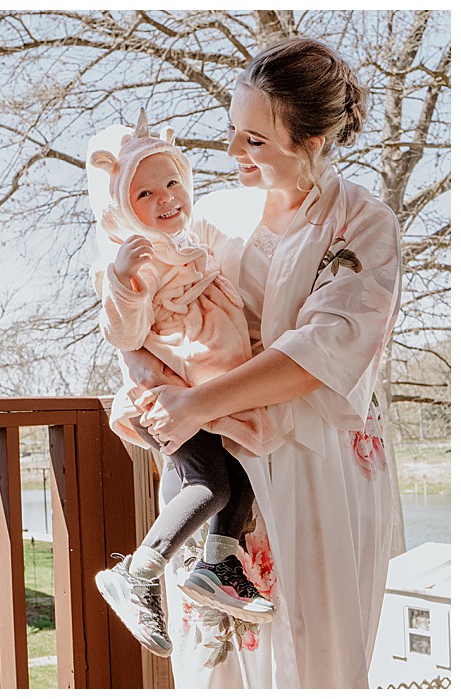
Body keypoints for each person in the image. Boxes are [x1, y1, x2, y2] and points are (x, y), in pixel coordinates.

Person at [130, 38, 403, 688]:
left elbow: (324, 347)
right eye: (232, 131)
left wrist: (198, 401)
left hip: (318, 468)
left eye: (254, 140)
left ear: (311, 143)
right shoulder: (215, 217)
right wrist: (150, 390)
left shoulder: (362, 223)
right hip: (224, 467)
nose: (231, 154)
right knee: (217, 669)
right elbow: (161, 314)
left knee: (313, 655)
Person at [86, 111, 280, 658]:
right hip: (173, 393)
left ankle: (217, 565)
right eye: (145, 192)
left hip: (213, 390)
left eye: (172, 182)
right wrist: (123, 282)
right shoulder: (136, 256)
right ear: (124, 206)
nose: (166, 197)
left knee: (239, 478)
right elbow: (124, 332)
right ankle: (136, 573)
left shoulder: (189, 245)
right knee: (207, 486)